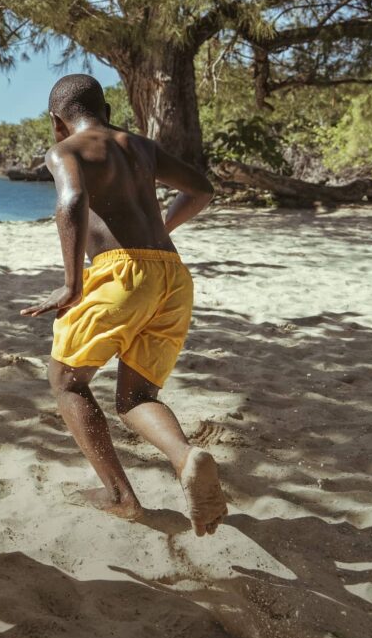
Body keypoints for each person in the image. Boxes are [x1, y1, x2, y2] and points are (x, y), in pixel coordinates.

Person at [21, 74, 226, 536]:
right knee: (136, 396)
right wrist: (162, 233)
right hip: (172, 275)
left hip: (120, 273)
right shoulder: (141, 146)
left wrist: (72, 285)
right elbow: (202, 189)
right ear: (108, 112)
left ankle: (119, 496)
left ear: (57, 121)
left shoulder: (66, 150)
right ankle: (186, 457)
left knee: (67, 380)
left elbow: (71, 202)